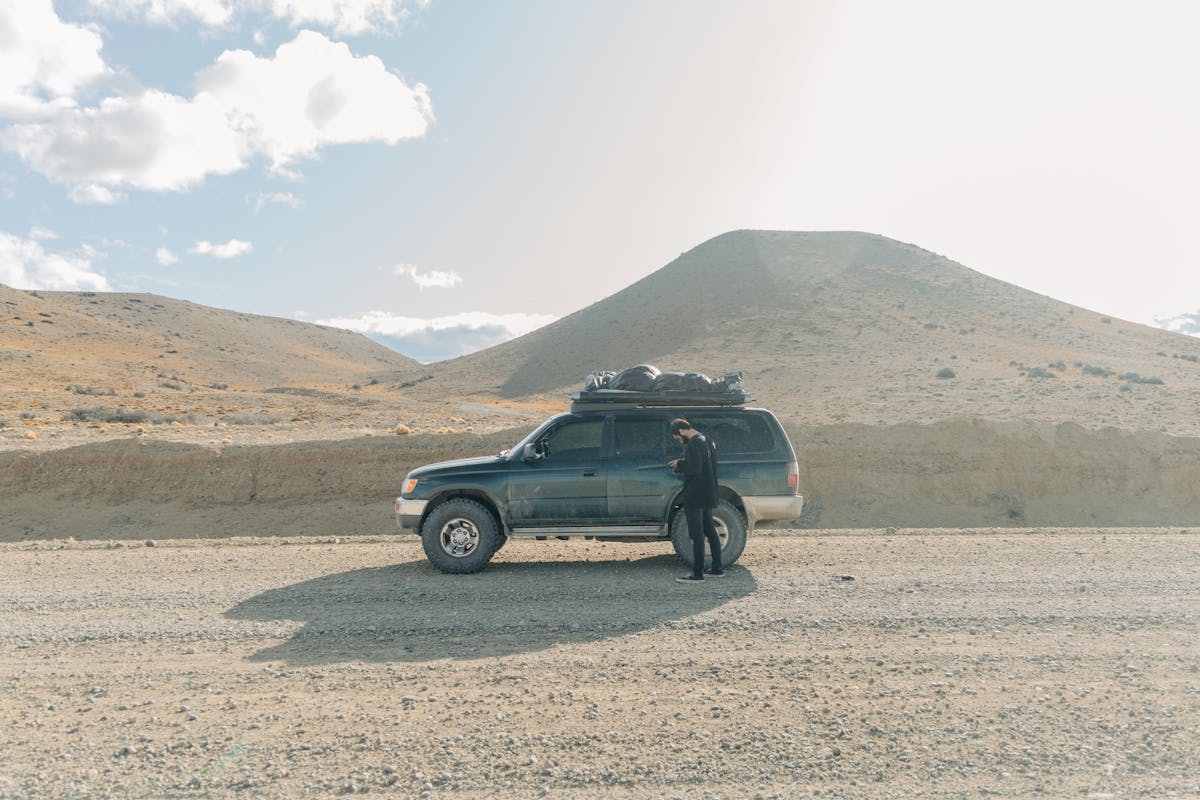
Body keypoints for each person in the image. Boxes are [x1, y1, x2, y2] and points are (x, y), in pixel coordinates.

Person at [667, 418, 723, 582]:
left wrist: (679, 464)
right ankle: (716, 568)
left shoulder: (694, 443)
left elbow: (694, 468)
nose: (679, 441)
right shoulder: (707, 440)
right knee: (710, 531)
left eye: (677, 438)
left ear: (681, 431)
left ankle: (697, 574)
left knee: (696, 534)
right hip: (708, 493)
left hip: (695, 494)